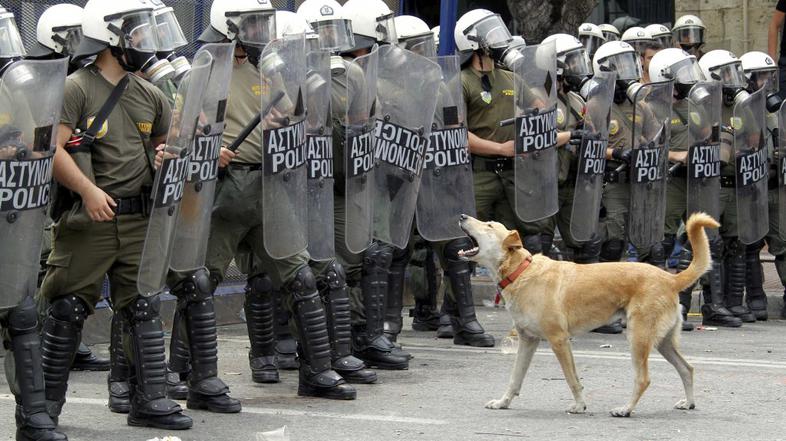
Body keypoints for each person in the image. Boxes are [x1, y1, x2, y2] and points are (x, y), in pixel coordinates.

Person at [38, 0, 193, 430]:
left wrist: (167, 157)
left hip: (138, 217)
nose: (146, 41)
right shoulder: (76, 88)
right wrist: (87, 190)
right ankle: (43, 412)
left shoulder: (151, 95)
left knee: (142, 307)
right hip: (90, 221)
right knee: (68, 308)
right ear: (112, 37)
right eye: (138, 32)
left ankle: (150, 400)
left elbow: (165, 147)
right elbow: (51, 150)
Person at [197, 0, 356, 399]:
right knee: (199, 284)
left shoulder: (262, 69)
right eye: (250, 27)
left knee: (300, 276)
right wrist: (206, 147)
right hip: (225, 188)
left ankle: (316, 371)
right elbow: (178, 133)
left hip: (268, 186)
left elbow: (289, 112)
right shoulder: (203, 73)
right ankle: (191, 376)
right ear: (230, 29)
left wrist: (283, 116)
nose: (258, 35)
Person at [27, 2, 111, 374]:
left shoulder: (85, 79)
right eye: (72, 36)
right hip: (34, 183)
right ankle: (40, 341)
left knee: (62, 264)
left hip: (67, 183)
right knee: (48, 263)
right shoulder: (36, 79)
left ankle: (66, 343)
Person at [0, 5, 69, 439]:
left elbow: (32, 140)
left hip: (9, 212)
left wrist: (21, 149)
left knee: (21, 311)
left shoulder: (11, 85)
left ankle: (33, 417)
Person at [651, 48, 727, 330]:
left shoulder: (693, 107)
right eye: (681, 72)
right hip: (669, 181)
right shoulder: (652, 107)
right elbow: (646, 146)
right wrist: (677, 155)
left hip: (695, 180)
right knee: (665, 242)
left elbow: (706, 136)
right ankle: (659, 308)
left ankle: (706, 305)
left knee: (705, 240)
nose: (688, 79)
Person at [699, 49, 767, 326]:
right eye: (726, 73)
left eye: (734, 71)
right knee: (712, 245)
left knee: (737, 243)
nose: (733, 79)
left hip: (736, 182)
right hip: (712, 184)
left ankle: (733, 302)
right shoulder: (702, 105)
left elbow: (754, 137)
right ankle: (713, 304)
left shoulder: (741, 106)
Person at [740, 50, 783, 320]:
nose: (767, 83)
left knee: (783, 240)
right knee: (751, 243)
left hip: (777, 184)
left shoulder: (778, 112)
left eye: (771, 77)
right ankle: (756, 296)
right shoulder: (739, 111)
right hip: (750, 187)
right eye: (761, 77)